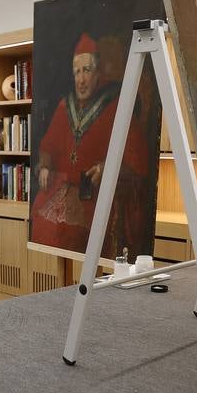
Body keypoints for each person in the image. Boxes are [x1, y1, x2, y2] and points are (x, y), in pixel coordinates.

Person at [31, 32, 153, 256]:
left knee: (80, 234)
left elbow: (137, 158)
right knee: (41, 220)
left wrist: (109, 167)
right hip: (67, 188)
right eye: (77, 72)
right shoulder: (64, 106)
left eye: (86, 70)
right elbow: (49, 144)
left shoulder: (116, 105)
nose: (81, 79)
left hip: (98, 193)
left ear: (98, 72)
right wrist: (46, 164)